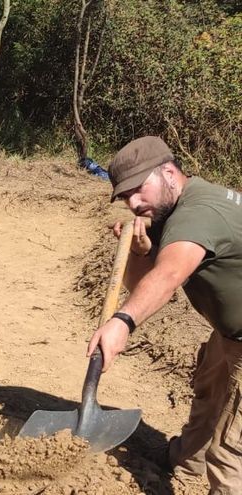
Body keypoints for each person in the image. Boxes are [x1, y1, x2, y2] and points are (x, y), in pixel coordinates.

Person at [87, 136, 242, 492]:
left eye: (140, 189)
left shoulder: (198, 214)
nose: (134, 202)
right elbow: (143, 283)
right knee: (209, 397)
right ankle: (186, 468)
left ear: (169, 173)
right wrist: (140, 253)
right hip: (229, 333)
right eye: (126, 196)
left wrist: (122, 323)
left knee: (230, 453)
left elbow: (169, 275)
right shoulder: (170, 209)